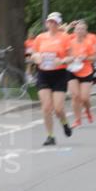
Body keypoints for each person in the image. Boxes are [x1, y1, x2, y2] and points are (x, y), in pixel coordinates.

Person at [30, 12, 73, 146]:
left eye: (54, 22)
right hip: (43, 74)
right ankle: (50, 136)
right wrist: (36, 58)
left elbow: (71, 57)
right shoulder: (40, 38)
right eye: (50, 21)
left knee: (58, 108)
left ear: (58, 24)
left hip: (59, 74)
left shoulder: (65, 37)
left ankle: (64, 123)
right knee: (46, 107)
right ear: (46, 23)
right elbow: (33, 54)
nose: (52, 24)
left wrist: (62, 60)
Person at [67, 20, 96, 126]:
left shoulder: (89, 43)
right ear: (74, 31)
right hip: (72, 71)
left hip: (86, 71)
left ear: (86, 31)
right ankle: (77, 119)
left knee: (84, 98)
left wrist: (86, 57)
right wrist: (70, 58)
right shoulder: (70, 41)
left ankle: (88, 111)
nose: (80, 31)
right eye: (78, 29)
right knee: (75, 96)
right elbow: (61, 38)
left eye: (82, 29)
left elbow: (94, 58)